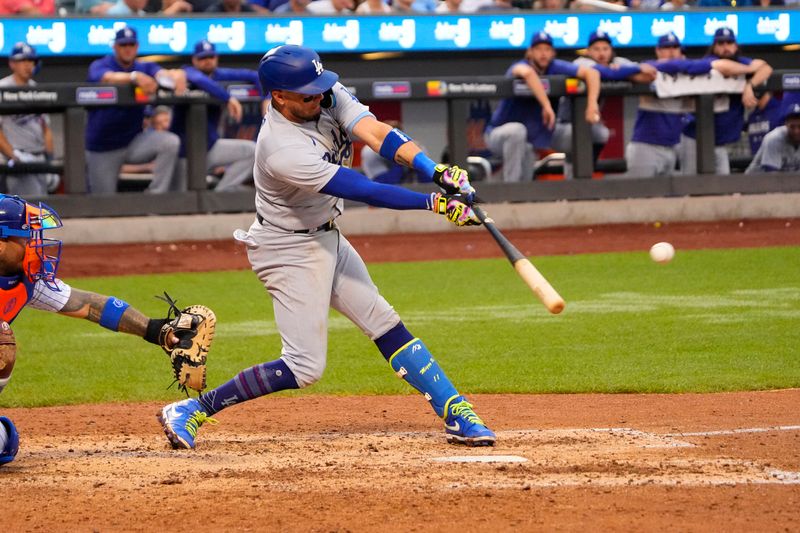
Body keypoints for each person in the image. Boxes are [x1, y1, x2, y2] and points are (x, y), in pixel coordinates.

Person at [157, 44, 495, 450]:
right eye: (307, 94)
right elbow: (359, 187)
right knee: (304, 367)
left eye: (320, 88)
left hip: (324, 234)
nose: (318, 97)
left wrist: (434, 170)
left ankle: (455, 411)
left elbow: (376, 133)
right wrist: (433, 202)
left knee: (383, 321)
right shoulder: (281, 149)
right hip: (285, 249)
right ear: (278, 96)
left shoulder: (324, 94)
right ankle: (191, 410)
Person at [0, 194, 211, 465]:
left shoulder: (24, 281)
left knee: (5, 441)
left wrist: (157, 331)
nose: (35, 245)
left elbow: (89, 305)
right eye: (26, 238)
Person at [625, 33, 765, 178]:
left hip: (671, 147)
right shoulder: (650, 67)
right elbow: (624, 71)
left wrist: (750, 78)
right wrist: (632, 68)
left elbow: (720, 64)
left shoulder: (686, 68)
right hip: (645, 145)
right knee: (640, 194)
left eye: (675, 47)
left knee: (665, 197)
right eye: (666, 47)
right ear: (658, 51)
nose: (671, 51)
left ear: (681, 51)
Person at [484, 31, 600, 183]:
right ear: (530, 52)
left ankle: (577, 185)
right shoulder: (520, 65)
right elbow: (528, 74)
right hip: (499, 134)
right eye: (538, 49)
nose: (543, 54)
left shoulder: (555, 66)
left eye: (547, 49)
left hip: (535, 134)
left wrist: (592, 104)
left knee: (580, 133)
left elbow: (592, 73)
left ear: (552, 53)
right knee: (517, 131)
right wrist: (547, 105)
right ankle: (510, 189)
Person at [85, 26, 186, 194]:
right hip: (103, 147)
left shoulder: (145, 67)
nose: (127, 48)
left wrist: (176, 75)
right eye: (123, 45)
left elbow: (161, 74)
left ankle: (155, 198)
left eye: (131, 45)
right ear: (115, 47)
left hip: (134, 142)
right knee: (103, 203)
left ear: (137, 47)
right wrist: (133, 77)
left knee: (169, 142)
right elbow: (105, 77)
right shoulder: (101, 64)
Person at [552, 30, 656, 179]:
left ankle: (584, 175)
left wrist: (625, 70)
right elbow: (603, 72)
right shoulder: (581, 62)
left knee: (601, 134)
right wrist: (629, 71)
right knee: (579, 144)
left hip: (588, 124)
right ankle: (574, 183)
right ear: (588, 51)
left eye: (605, 49)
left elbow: (648, 74)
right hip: (564, 126)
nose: (601, 54)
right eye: (596, 49)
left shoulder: (618, 62)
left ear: (611, 50)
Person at [678, 27, 773, 176]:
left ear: (736, 45)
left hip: (719, 142)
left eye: (729, 43)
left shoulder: (740, 62)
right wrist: (749, 69)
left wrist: (750, 84)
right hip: (694, 137)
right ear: (714, 47)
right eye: (721, 44)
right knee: (692, 184)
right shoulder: (708, 61)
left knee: (722, 184)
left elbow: (766, 68)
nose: (725, 47)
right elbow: (724, 67)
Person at [171, 40, 260, 192]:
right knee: (179, 197)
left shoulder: (219, 75)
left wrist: (266, 98)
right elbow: (200, 80)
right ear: (194, 60)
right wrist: (228, 98)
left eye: (210, 57)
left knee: (252, 151)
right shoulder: (187, 72)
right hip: (183, 154)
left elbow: (255, 75)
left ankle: (221, 193)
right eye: (202, 58)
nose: (207, 61)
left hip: (210, 148)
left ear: (216, 58)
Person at [0, 43, 56, 197]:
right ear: (12, 63)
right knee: (28, 210)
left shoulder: (36, 88)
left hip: (39, 157)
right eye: (22, 60)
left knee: (42, 208)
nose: (27, 65)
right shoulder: (2, 88)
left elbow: (46, 128)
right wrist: (14, 156)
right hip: (18, 157)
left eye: (31, 61)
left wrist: (50, 160)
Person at [745, 103, 800, 174]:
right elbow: (771, 178)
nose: (796, 131)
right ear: (786, 124)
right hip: (754, 182)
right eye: (792, 126)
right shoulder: (774, 139)